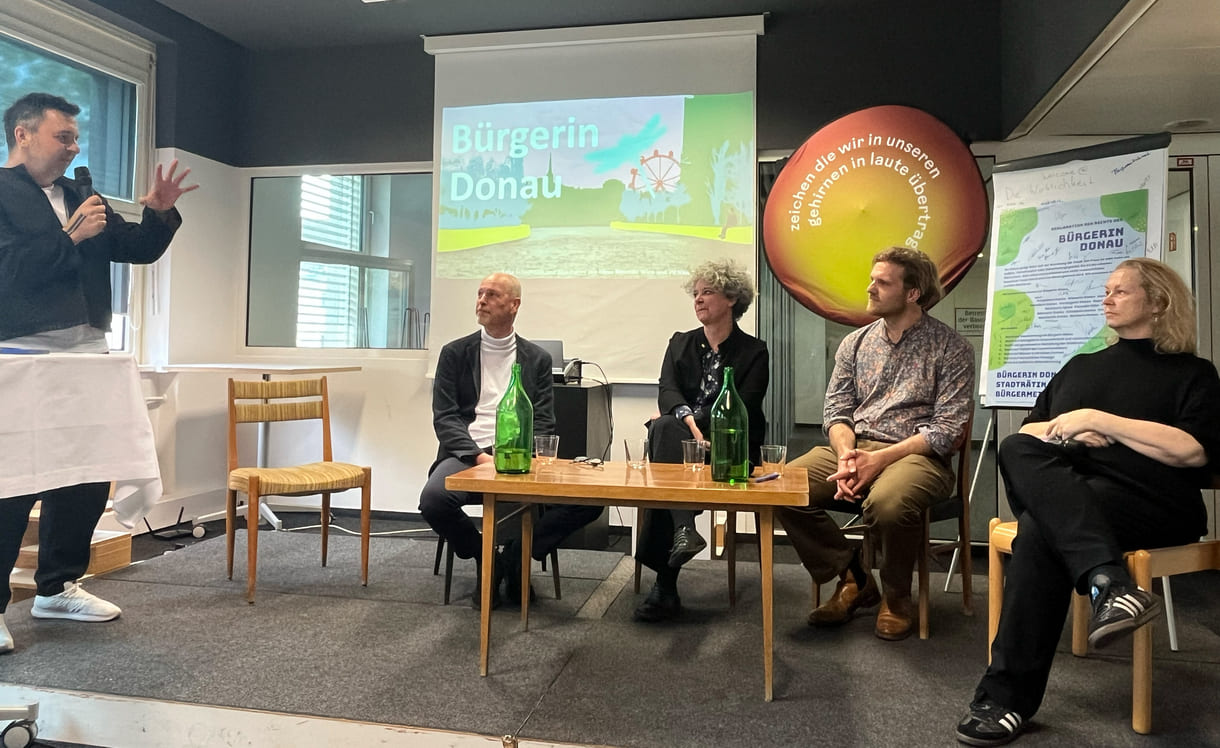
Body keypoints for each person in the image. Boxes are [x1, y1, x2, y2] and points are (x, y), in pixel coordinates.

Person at [955, 258, 1220, 746]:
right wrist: (1068, 428)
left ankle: (1004, 700)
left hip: (1154, 506)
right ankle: (1107, 581)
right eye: (1106, 290)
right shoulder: (1080, 366)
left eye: (1120, 290)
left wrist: (1101, 421)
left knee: (1041, 530)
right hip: (1080, 501)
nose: (1107, 298)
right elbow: (1031, 432)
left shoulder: (1193, 374)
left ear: (1159, 302)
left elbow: (1192, 449)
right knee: (1017, 449)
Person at [0, 92, 197, 653]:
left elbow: (137, 249)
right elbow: (6, 276)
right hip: (19, 358)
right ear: (23, 134)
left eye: (75, 138)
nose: (74, 147)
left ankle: (58, 586)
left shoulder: (82, 194)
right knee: (10, 483)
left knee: (86, 473)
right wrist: (69, 239)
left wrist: (158, 211)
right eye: (63, 137)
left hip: (87, 353)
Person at [776, 247, 974, 641]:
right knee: (783, 485)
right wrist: (848, 454)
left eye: (882, 282)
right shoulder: (854, 343)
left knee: (888, 502)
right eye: (873, 279)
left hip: (917, 454)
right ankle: (854, 578)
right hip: (855, 446)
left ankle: (897, 598)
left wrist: (878, 460)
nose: (870, 288)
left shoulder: (951, 348)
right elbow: (836, 411)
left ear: (913, 292)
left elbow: (947, 431)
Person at [420, 272, 603, 608]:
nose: (482, 300)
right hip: (467, 454)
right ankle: (485, 557)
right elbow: (445, 418)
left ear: (514, 304)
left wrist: (516, 456)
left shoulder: (537, 359)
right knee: (433, 500)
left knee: (589, 498)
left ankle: (518, 553)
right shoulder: (454, 353)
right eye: (479, 293)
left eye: (492, 294)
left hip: (518, 455)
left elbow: (545, 421)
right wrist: (479, 457)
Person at [633, 259, 769, 622]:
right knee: (665, 428)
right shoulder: (680, 343)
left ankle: (666, 583)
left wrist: (700, 427)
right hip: (682, 448)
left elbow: (745, 404)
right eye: (695, 294)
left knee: (664, 444)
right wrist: (687, 421)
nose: (698, 300)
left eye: (707, 292)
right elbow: (668, 391)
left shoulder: (754, 352)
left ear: (731, 299)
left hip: (730, 452)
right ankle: (684, 530)